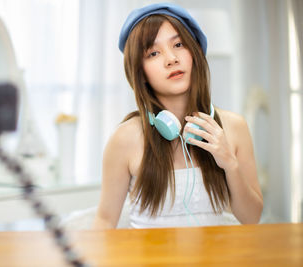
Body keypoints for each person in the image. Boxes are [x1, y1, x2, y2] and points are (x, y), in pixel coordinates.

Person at [93, 3, 263, 229]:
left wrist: (229, 163)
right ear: (140, 72)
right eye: (153, 53)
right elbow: (104, 221)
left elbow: (251, 218)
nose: (171, 58)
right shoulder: (124, 138)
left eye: (179, 44)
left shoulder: (233, 127)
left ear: (194, 52)